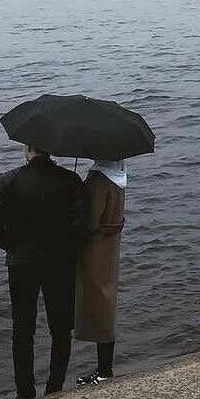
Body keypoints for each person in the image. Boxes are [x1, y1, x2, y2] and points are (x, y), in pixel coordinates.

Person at [0, 146, 89, 399]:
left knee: (22, 329)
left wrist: (13, 245)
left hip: (22, 263)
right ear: (51, 150)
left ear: (28, 149)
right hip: (60, 263)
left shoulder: (9, 180)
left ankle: (25, 392)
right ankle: (54, 387)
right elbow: (82, 225)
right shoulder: (70, 179)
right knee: (60, 328)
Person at [74, 159, 127, 385]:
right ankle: (105, 367)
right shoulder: (118, 176)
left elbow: (89, 221)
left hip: (96, 251)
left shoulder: (99, 180)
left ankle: (104, 371)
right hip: (110, 248)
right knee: (106, 302)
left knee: (99, 306)